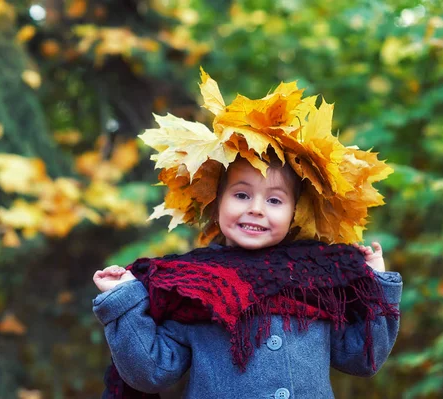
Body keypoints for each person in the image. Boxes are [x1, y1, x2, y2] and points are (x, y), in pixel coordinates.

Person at [92, 69, 402, 399]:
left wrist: (374, 282)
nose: (256, 208)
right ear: (216, 204)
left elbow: (363, 358)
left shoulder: (319, 282)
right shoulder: (193, 286)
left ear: (295, 212)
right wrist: (124, 300)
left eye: (274, 200)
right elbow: (151, 372)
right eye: (241, 195)